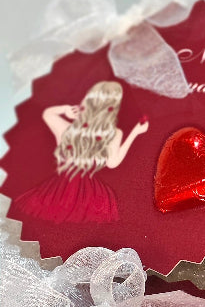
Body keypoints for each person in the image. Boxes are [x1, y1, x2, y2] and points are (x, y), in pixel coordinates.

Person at [13, 81, 148, 223]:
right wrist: (135, 132)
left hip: (58, 191)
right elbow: (113, 163)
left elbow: (48, 114)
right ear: (113, 107)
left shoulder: (67, 129)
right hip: (90, 195)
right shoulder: (113, 134)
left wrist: (64, 109)